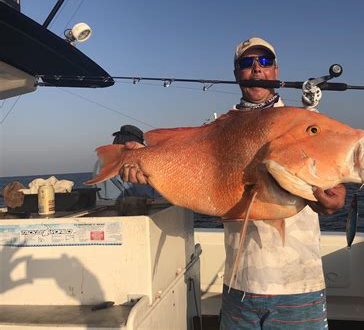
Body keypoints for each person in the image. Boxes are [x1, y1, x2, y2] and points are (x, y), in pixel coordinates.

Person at [119, 38, 346, 329]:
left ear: (276, 69)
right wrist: (145, 167)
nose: (256, 69)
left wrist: (334, 199)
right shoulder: (222, 128)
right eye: (246, 63)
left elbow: (335, 188)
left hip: (299, 285)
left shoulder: (304, 123)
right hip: (240, 285)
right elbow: (192, 176)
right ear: (236, 73)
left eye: (264, 62)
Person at [93, 125, 157, 200]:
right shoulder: (132, 162)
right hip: (129, 208)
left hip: (104, 206)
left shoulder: (100, 161)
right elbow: (147, 194)